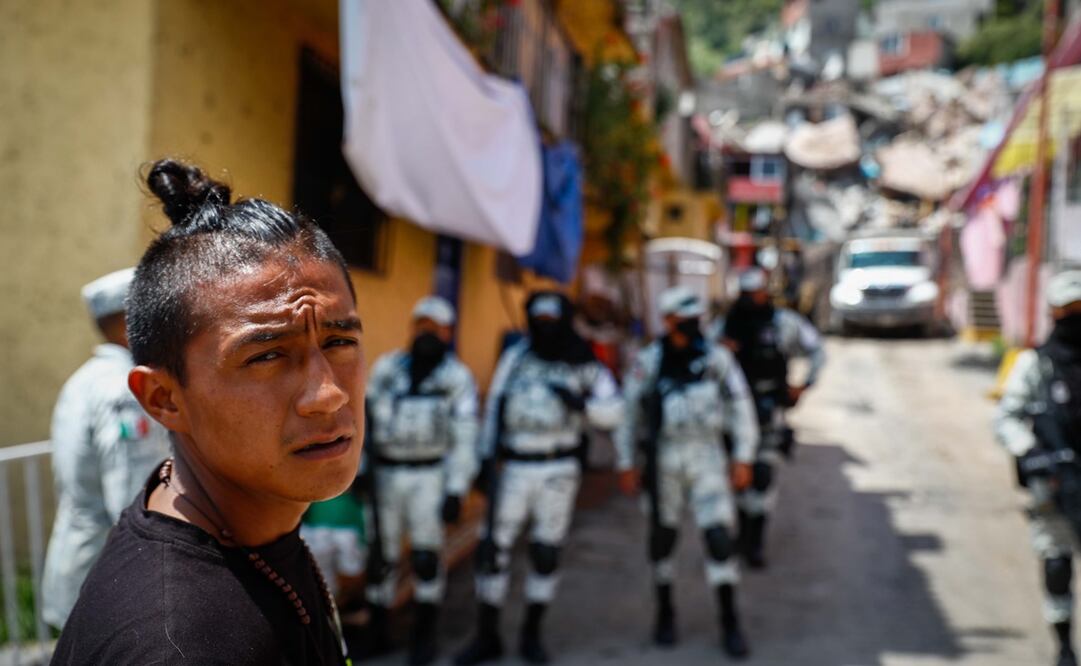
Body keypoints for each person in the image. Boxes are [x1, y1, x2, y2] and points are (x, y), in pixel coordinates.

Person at [51, 159, 364, 665]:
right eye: (266, 355)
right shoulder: (178, 645)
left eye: (341, 340)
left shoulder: (252, 522)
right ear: (163, 399)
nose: (328, 393)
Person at [455, 291, 622, 665]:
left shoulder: (583, 362)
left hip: (558, 468)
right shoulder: (516, 357)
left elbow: (615, 411)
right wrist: (483, 459)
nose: (545, 326)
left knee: (546, 550)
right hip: (513, 467)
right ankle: (488, 634)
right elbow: (496, 404)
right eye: (539, 318)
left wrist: (583, 404)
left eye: (552, 318)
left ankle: (532, 632)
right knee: (492, 550)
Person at [616, 285, 759, 658]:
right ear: (667, 321)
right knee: (662, 539)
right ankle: (665, 612)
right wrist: (626, 462)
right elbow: (628, 413)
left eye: (697, 319)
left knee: (719, 539)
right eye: (685, 320)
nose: (693, 326)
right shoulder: (649, 361)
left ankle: (730, 621)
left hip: (707, 457)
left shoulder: (717, 360)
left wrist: (743, 456)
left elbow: (741, 406)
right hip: (663, 461)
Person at [41, 268, 171, 629]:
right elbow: (132, 501)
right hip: (111, 580)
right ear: (130, 323)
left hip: (85, 568)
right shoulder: (122, 391)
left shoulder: (86, 378)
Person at [363, 295, 479, 665]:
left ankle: (424, 635)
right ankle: (379, 629)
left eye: (435, 328)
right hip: (385, 473)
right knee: (381, 555)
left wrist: (458, 488)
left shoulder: (456, 378)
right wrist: (359, 469)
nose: (427, 333)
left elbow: (465, 436)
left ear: (448, 333)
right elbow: (361, 418)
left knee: (428, 557)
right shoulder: (387, 368)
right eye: (421, 326)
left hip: (429, 476)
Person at [996, 270, 1081, 666]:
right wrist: (1031, 451)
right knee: (1057, 563)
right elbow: (1007, 417)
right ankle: (1064, 646)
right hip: (1055, 480)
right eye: (1069, 311)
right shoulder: (1036, 365)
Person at [719, 266, 825, 568]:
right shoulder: (726, 326)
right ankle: (742, 535)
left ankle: (755, 542)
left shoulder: (784, 324)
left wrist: (803, 385)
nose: (752, 300)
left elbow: (817, 350)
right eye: (746, 295)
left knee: (763, 476)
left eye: (757, 294)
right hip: (733, 415)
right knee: (739, 473)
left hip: (769, 412)